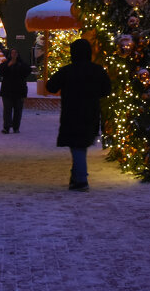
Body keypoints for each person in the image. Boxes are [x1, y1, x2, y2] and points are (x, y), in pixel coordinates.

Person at [45, 38, 112, 191]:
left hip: (72, 113)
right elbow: (106, 90)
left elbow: (51, 86)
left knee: (77, 146)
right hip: (91, 112)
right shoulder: (97, 70)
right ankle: (76, 178)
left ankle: (81, 180)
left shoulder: (67, 71)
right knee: (81, 146)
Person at [0, 48, 31, 134]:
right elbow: (0, 71)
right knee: (7, 110)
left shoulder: (22, 64)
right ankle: (7, 127)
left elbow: (27, 71)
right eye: (12, 53)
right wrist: (8, 65)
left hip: (19, 90)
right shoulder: (6, 64)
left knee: (18, 110)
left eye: (15, 53)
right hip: (7, 90)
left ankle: (16, 127)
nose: (14, 55)